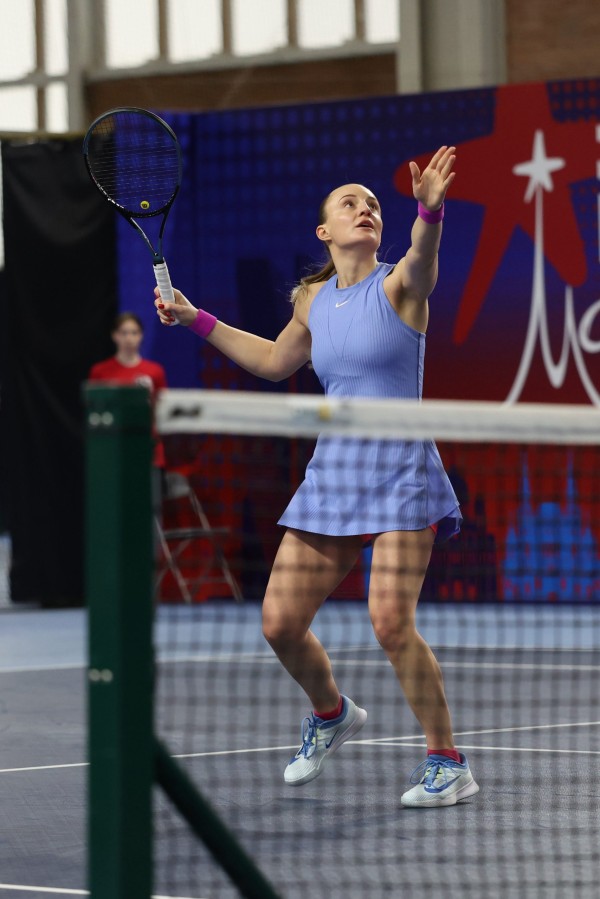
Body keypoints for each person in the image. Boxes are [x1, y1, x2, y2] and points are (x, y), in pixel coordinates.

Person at [154, 146, 479, 809]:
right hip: (334, 475)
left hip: (401, 474)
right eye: (350, 202)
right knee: (279, 622)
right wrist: (195, 318)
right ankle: (331, 712)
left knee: (389, 622)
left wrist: (429, 211)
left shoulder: (399, 285)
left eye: (374, 204)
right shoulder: (311, 299)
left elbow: (423, 258)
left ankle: (448, 761)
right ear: (324, 230)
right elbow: (275, 361)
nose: (366, 208)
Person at [88, 311, 168, 482]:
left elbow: (161, 411)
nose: (129, 338)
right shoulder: (100, 371)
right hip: (112, 446)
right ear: (114, 336)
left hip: (147, 446)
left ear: (141, 336)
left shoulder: (154, 371)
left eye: (134, 333)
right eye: (124, 333)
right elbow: (94, 413)